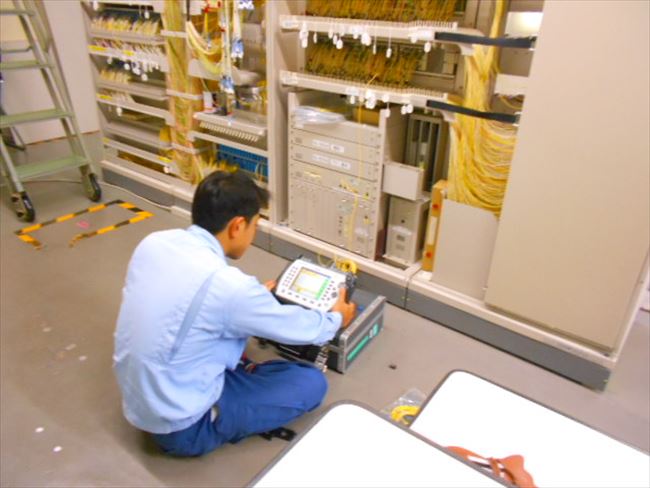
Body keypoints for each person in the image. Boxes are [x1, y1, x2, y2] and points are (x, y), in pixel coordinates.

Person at [113, 170, 356, 457]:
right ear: (237, 226)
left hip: (144, 401)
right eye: (255, 225)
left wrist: (250, 302)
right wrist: (337, 318)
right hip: (183, 428)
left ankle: (239, 375)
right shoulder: (230, 288)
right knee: (311, 383)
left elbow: (187, 299)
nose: (254, 234)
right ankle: (223, 409)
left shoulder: (154, 243)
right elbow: (302, 329)